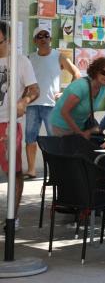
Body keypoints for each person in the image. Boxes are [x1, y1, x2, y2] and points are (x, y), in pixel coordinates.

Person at [24, 26, 80, 179]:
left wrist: (65, 92)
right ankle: (31, 170)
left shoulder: (58, 56)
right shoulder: (30, 58)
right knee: (30, 139)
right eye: (39, 36)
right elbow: (24, 81)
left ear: (50, 38)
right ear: (35, 40)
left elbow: (77, 73)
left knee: (54, 141)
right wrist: (22, 101)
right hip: (32, 105)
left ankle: (57, 171)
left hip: (51, 106)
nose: (43, 39)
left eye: (46, 36)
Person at [0, 21, 39, 226]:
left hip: (8, 123)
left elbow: (34, 89)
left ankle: (12, 216)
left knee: (13, 172)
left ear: (9, 40)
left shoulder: (20, 61)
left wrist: (24, 101)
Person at [49, 58, 105, 138]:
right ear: (96, 71)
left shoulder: (104, 88)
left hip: (80, 126)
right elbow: (64, 112)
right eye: (104, 73)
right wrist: (80, 133)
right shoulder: (81, 86)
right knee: (65, 150)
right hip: (61, 125)